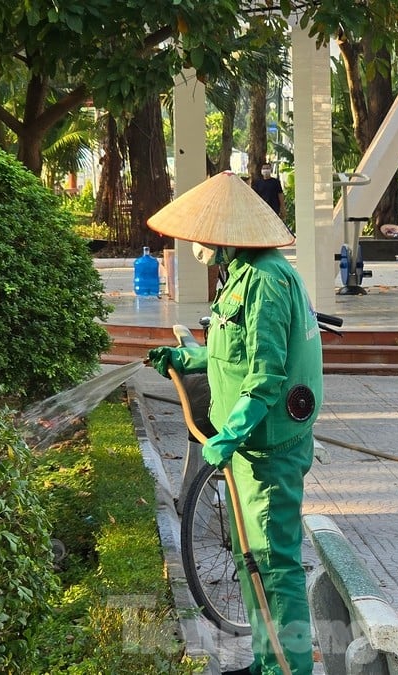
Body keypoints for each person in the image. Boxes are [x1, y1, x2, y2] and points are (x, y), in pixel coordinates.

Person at [146, 171, 322, 675]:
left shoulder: (267, 281)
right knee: (250, 557)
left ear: (228, 234)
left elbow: (266, 377)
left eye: (205, 237)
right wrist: (189, 357)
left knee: (275, 563)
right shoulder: (242, 275)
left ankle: (288, 669)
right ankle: (267, 661)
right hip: (250, 448)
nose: (199, 246)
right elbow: (235, 353)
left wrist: (230, 434)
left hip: (269, 449)